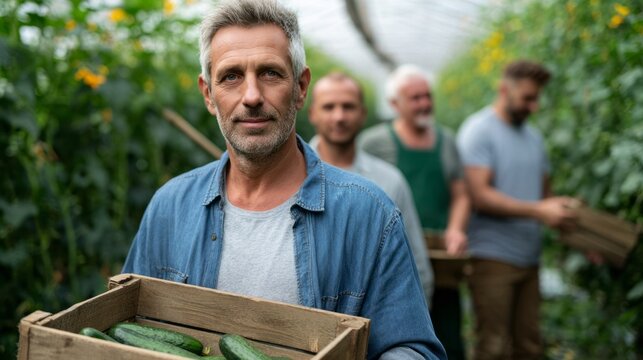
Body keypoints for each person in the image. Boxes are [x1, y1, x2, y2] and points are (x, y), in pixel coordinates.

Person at [122, 0, 446, 359]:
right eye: (231, 76)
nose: (252, 97)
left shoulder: (369, 214)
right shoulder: (170, 207)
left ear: (301, 87)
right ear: (208, 95)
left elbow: (412, 348)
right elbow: (130, 326)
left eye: (270, 73)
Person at [456, 60, 577, 359]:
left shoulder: (534, 138)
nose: (534, 106)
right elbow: (480, 195)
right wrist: (539, 211)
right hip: (492, 258)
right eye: (527, 98)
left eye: (537, 98)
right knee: (493, 346)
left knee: (529, 344)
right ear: (503, 89)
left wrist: (580, 230)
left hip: (529, 258)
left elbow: (545, 195)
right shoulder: (479, 131)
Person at [359, 65, 470, 360]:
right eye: (415, 98)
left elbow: (460, 194)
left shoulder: (446, 141)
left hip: (439, 255)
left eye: (427, 96)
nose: (424, 104)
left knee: (448, 335)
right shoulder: (374, 143)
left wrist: (456, 228)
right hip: (395, 254)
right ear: (395, 104)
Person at [307, 72, 435, 305]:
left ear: (363, 114)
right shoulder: (292, 176)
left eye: (348, 107)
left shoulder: (388, 181)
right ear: (312, 113)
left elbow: (415, 262)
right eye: (329, 107)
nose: (339, 116)